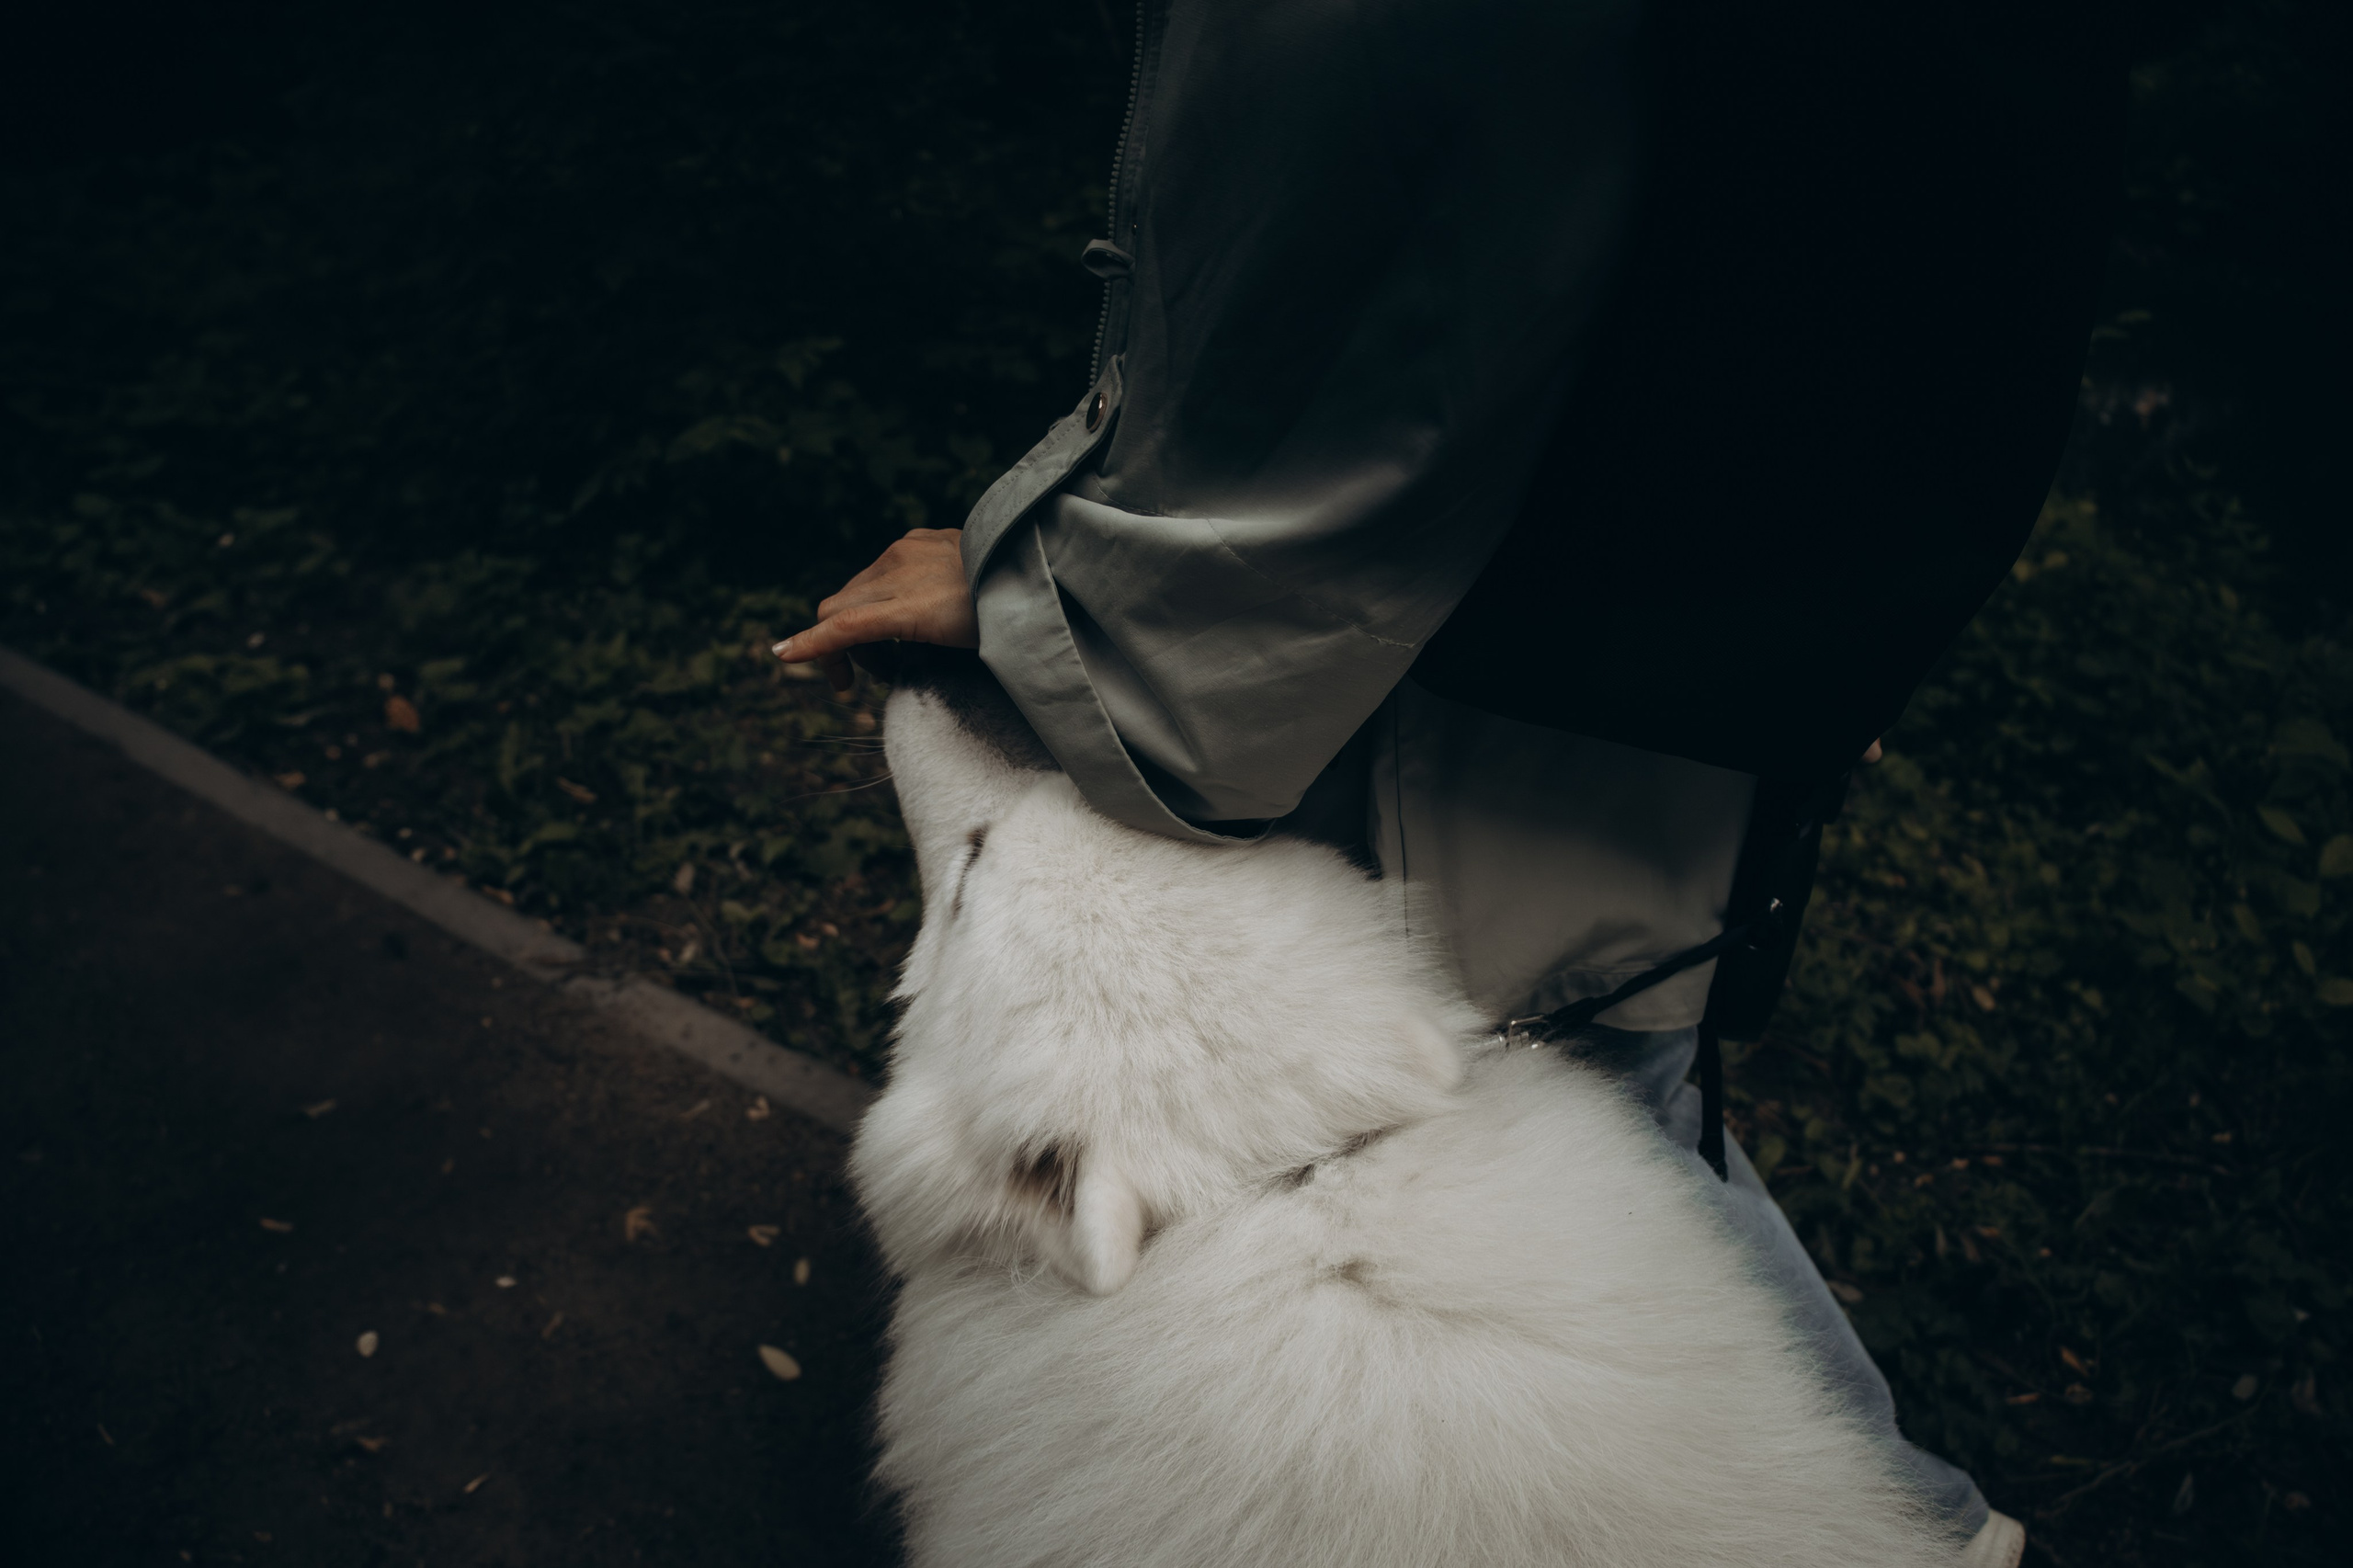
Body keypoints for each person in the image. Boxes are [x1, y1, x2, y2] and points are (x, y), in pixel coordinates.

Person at [777, 6, 2122, 1562]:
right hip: (1694, 615)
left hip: (1449, 626)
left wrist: (1062, 588)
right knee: (1593, 1071)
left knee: (1564, 1064)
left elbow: (1390, 255)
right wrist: (1829, 646)